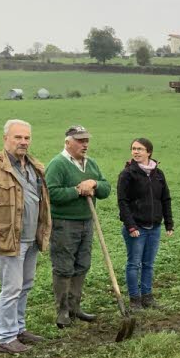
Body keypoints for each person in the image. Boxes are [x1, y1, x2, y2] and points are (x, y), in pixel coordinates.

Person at [0, 119, 52, 353]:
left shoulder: (34, 166)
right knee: (11, 288)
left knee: (25, 285)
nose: (23, 142)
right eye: (18, 137)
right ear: (5, 138)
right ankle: (6, 337)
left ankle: (19, 329)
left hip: (32, 237)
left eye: (27, 138)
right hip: (9, 239)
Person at [46, 125, 111, 329]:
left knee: (82, 264)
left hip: (87, 221)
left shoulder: (90, 164)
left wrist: (94, 184)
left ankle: (75, 307)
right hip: (64, 223)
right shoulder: (57, 165)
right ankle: (62, 311)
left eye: (87, 141)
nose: (85, 144)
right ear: (68, 142)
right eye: (80, 141)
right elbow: (51, 193)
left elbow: (106, 188)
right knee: (64, 266)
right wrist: (77, 190)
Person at [116, 137, 174, 309]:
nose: (135, 152)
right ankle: (135, 300)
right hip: (137, 228)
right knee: (134, 264)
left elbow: (165, 199)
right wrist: (131, 226)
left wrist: (168, 223)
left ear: (149, 152)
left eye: (140, 149)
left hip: (154, 227)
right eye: (133, 148)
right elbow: (122, 202)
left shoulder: (158, 174)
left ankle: (147, 297)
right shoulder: (127, 174)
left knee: (148, 264)